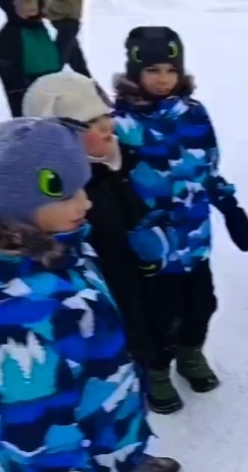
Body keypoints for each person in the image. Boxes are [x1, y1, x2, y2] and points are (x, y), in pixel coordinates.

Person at [0, 117, 180, 472]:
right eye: (66, 195)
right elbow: (39, 440)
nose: (85, 203)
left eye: (82, 188)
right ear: (15, 206)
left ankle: (125, 457)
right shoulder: (19, 316)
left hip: (103, 425)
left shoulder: (62, 249)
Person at [22, 72, 184, 414]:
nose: (106, 127)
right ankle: (130, 384)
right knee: (127, 333)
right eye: (90, 123)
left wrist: (157, 239)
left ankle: (157, 366)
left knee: (162, 317)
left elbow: (156, 202)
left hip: (143, 270)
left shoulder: (127, 159)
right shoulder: (61, 194)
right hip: (108, 281)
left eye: (105, 116)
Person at [114, 26, 248, 404]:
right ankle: (157, 368)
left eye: (170, 70)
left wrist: (229, 206)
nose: (163, 79)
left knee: (202, 305)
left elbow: (207, 168)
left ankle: (190, 353)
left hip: (194, 240)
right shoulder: (122, 125)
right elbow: (112, 188)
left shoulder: (193, 114)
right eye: (153, 70)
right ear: (136, 72)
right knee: (160, 314)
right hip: (153, 247)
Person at [0, 0, 62, 116]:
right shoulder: (9, 34)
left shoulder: (40, 28)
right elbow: (12, 79)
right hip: (33, 104)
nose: (32, 5)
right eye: (26, 1)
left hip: (56, 97)